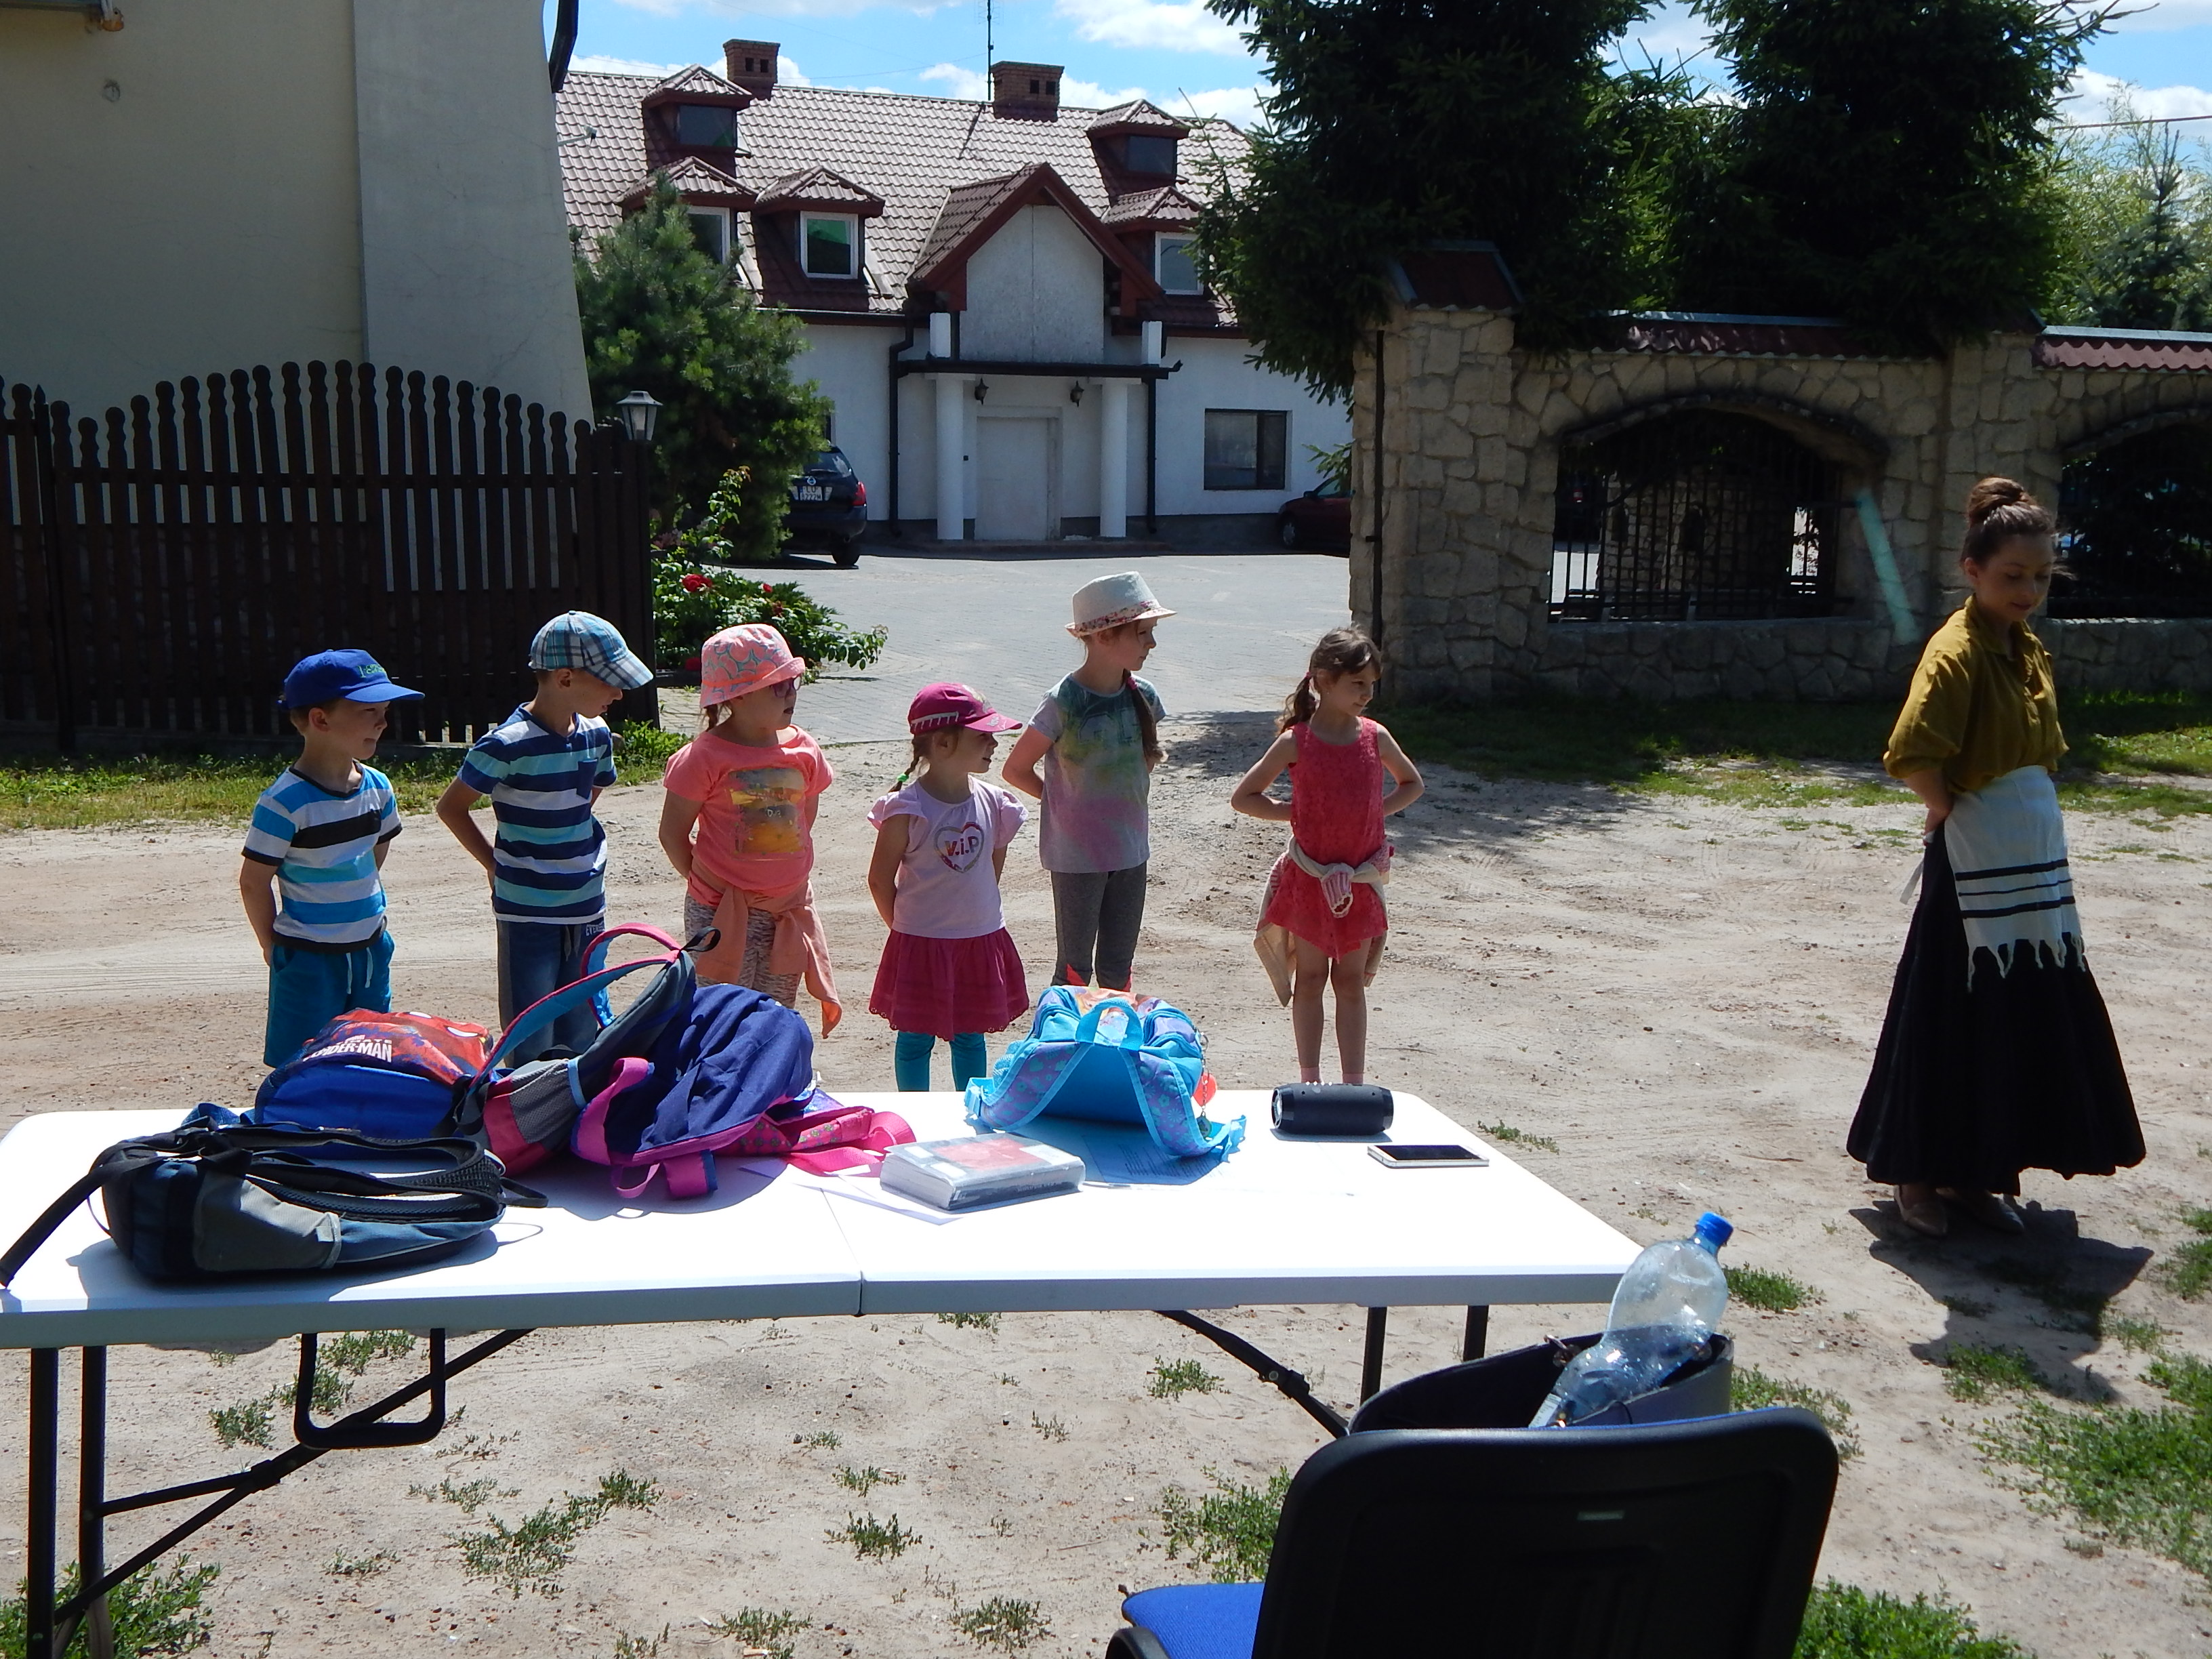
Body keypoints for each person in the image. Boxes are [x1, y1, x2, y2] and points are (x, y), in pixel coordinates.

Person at [1849, 478, 2142, 1239]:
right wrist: (1948, 808)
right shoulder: (1956, 651)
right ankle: (1917, 1172)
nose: (2028, 591)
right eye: (2013, 575)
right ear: (1972, 569)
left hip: (2031, 860)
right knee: (1947, 1009)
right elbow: (1913, 752)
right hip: (1974, 861)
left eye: (2041, 577)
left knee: (2008, 1013)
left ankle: (1975, 1169)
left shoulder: (2025, 645)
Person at [434, 611, 654, 1059]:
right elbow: (451, 806)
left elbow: (585, 797)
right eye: (610, 682)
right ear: (565, 678)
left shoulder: (596, 735)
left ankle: (573, 1101)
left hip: (586, 904)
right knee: (530, 1033)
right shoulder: (506, 744)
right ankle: (525, 1101)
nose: (619, 693)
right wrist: (495, 864)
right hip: (527, 911)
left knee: (582, 1028)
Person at [1230, 628, 1424, 1086]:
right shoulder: (1296, 741)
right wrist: (1296, 812)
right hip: (1310, 880)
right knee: (1312, 979)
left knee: (1351, 983)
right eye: (1357, 684)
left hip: (1358, 883)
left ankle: (1354, 1085)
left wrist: (1374, 810)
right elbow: (1244, 797)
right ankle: (1309, 1082)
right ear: (1323, 680)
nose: (1367, 694)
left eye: (1371, 684)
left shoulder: (1376, 738)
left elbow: (1412, 784)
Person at [239, 649, 424, 1067]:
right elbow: (253, 881)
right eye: (369, 711)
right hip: (308, 957)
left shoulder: (378, 787)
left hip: (370, 948)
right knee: (303, 1061)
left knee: (370, 1052)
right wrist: (273, 948)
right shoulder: (284, 802)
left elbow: (374, 853)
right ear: (320, 720)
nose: (382, 722)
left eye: (385, 711)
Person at [657, 623, 841, 1031]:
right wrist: (710, 885)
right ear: (737, 696)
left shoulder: (803, 749)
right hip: (722, 910)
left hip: (786, 909)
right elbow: (672, 833)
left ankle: (765, 1069)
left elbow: (804, 819)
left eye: (793, 682)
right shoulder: (704, 756)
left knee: (775, 1014)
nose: (791, 694)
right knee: (719, 1014)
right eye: (777, 686)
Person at [1001, 571, 1171, 991]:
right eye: (1143, 633)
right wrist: (1063, 803)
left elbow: (1143, 761)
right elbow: (1015, 769)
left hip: (1131, 851)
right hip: (1077, 858)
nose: (1152, 643)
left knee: (1118, 967)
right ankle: (1064, 1031)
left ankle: (1114, 1032)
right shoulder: (1064, 701)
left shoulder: (1145, 696)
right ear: (1104, 636)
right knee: (1075, 969)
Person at [867, 684, 1032, 1091]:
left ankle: (969, 1106)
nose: (994, 744)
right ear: (943, 743)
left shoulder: (996, 803)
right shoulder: (906, 809)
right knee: (914, 1038)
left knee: (970, 1035)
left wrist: (971, 916)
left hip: (978, 941)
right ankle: (916, 1112)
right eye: (982, 736)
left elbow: (991, 869)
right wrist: (904, 929)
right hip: (921, 944)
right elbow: (879, 879)